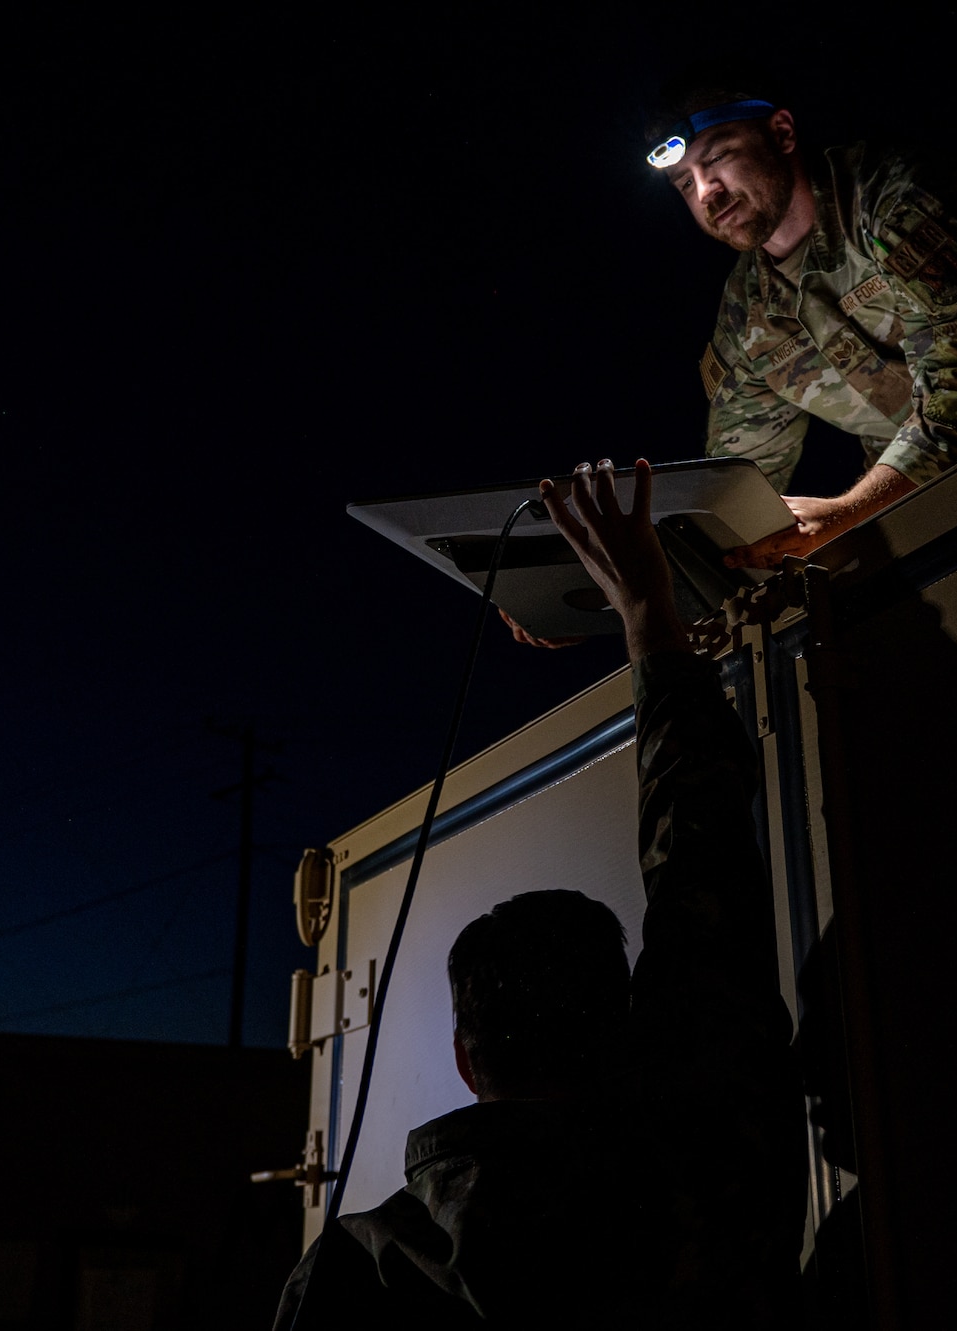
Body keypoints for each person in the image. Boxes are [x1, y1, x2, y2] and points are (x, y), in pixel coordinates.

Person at [276, 459, 803, 1328]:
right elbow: (704, 870)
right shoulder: (708, 1179)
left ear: (465, 1058)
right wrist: (647, 613)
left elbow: (701, 889)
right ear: (623, 1028)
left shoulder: (352, 1274)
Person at [654, 77, 957, 571]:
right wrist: (627, 586)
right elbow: (736, 490)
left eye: (718, 157)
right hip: (939, 512)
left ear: (782, 134)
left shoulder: (889, 199)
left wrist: (848, 512)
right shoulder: (746, 316)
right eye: (684, 183)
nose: (706, 192)